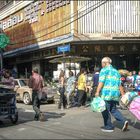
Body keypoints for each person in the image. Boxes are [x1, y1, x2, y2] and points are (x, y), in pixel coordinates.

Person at [95, 57, 128, 132]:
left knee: (104, 109)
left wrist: (97, 91)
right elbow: (120, 84)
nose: (101, 65)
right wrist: (123, 94)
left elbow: (101, 82)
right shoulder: (116, 71)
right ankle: (124, 121)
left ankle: (108, 126)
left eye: (102, 63)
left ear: (105, 63)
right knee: (113, 109)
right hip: (115, 94)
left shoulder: (104, 70)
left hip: (106, 93)